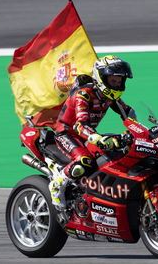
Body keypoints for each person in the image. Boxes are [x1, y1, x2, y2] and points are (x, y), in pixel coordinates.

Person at [49, 55, 137, 210]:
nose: (116, 85)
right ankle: (57, 184)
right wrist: (98, 138)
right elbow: (80, 125)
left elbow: (128, 113)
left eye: (119, 81)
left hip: (87, 135)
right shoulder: (84, 94)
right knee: (84, 161)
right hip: (67, 134)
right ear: (101, 78)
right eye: (113, 81)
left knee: (118, 152)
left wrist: (138, 131)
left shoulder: (111, 97)